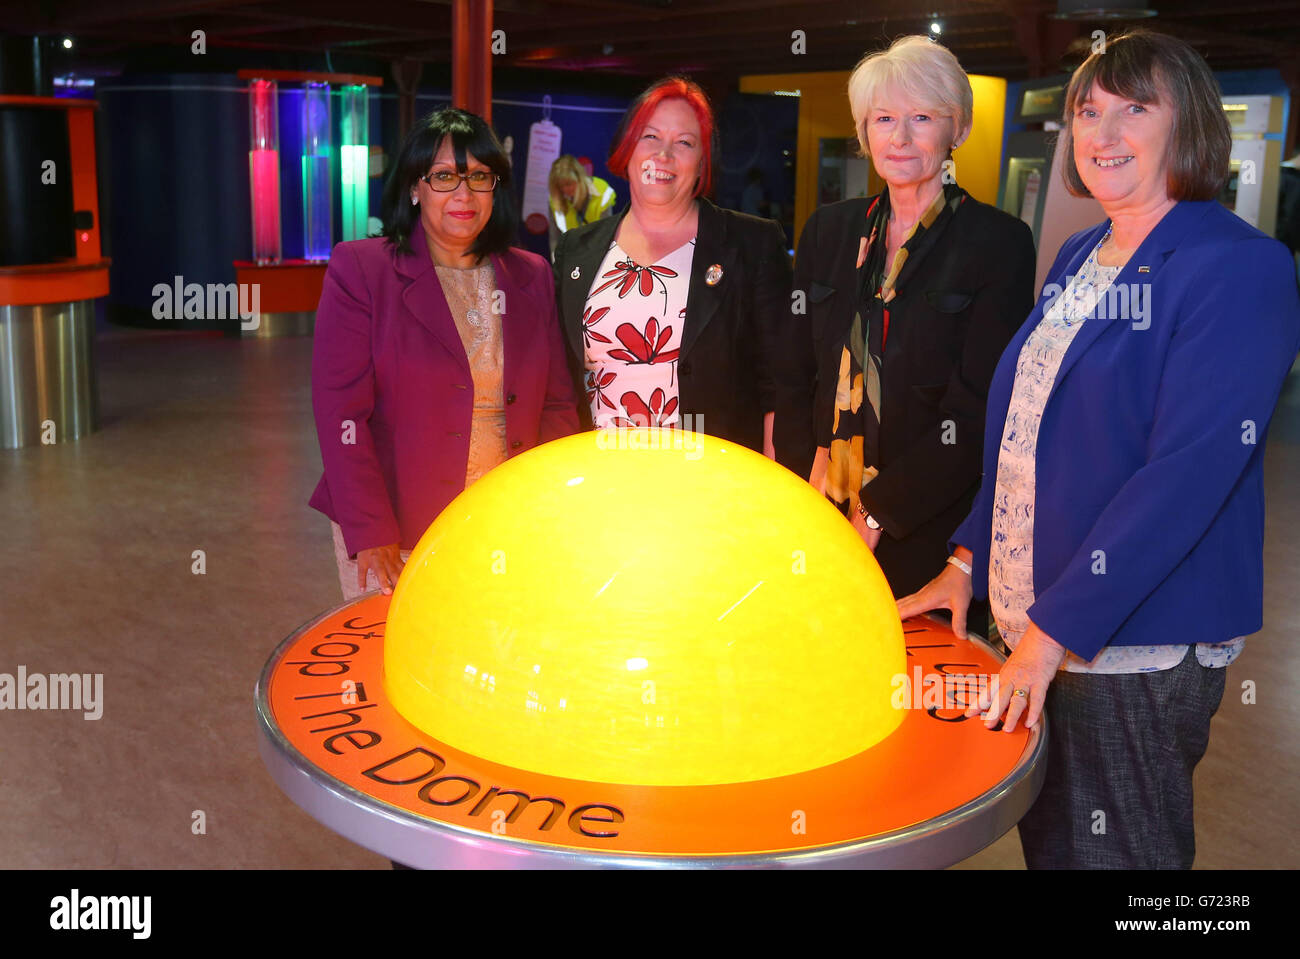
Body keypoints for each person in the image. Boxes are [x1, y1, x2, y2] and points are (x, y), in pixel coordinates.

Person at [897, 29, 1300, 868]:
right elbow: (1025, 431)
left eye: (1134, 109)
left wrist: (1049, 637)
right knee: (1059, 847)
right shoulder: (1086, 252)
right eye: (1088, 110)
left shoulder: (1238, 266)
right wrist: (967, 564)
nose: (1103, 132)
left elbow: (1188, 474)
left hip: (1128, 642)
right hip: (1040, 618)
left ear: (1186, 126)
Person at [785, 35, 1036, 608]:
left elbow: (978, 408)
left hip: (925, 526)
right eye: (883, 119)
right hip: (820, 512)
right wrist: (806, 478)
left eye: (922, 118)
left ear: (959, 131)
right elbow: (797, 371)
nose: (899, 138)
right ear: (863, 130)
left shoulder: (998, 243)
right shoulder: (827, 231)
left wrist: (877, 511)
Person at [310, 108, 579, 600]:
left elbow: (557, 405)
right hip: (397, 528)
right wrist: (373, 534)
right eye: (443, 177)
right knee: (394, 664)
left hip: (503, 523)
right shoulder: (363, 270)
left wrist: (546, 508)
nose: (464, 193)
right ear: (415, 188)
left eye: (479, 176)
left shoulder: (531, 274)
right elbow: (340, 415)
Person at [551, 76, 795, 467]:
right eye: (650, 137)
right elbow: (557, 382)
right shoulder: (576, 251)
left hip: (713, 482)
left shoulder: (752, 245)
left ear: (701, 163)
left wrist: (774, 484)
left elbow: (781, 386)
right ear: (627, 149)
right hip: (598, 479)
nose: (663, 156)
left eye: (684, 143)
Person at [547, 155, 617, 256]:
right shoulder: (555, 200)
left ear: (580, 178)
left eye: (569, 184)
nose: (565, 190)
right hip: (570, 255)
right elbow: (555, 239)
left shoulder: (602, 193)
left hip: (597, 254)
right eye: (560, 186)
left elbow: (607, 236)